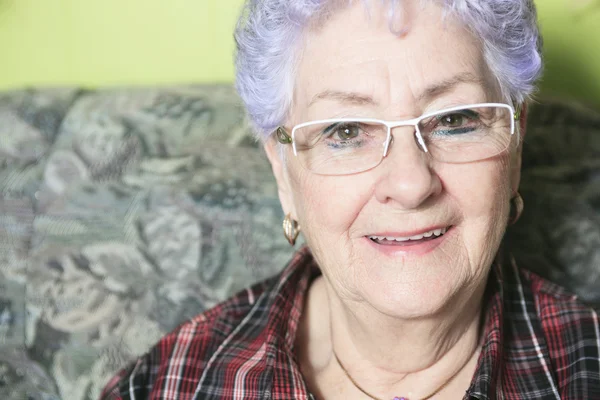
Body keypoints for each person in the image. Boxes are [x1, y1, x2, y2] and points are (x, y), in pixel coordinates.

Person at [100, 0, 600, 398]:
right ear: (282, 167)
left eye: (455, 120)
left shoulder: (587, 364)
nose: (410, 185)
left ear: (514, 143)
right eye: (345, 131)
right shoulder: (165, 385)